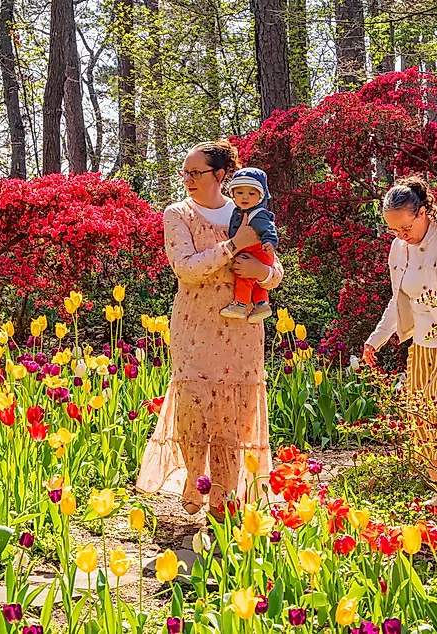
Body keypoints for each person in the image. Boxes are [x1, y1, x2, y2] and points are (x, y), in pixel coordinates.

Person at [135, 140, 284, 517]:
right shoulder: (178, 214)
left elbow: (275, 272)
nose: (187, 179)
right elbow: (186, 268)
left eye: (196, 172)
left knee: (236, 410)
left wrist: (261, 273)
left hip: (243, 329)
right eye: (184, 172)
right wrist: (235, 245)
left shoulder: (248, 208)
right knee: (194, 406)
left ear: (220, 175)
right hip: (195, 323)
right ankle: (194, 479)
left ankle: (224, 495)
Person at [362, 175, 437, 472]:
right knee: (421, 421)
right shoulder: (399, 249)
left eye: (406, 227)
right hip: (422, 346)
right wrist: (376, 339)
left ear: (423, 212)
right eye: (394, 229)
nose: (401, 234)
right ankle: (436, 490)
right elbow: (399, 300)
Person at [220, 167, 278, 322]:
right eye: (240, 193)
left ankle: (240, 304)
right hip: (257, 253)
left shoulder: (258, 213)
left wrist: (270, 241)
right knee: (257, 284)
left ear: (261, 196)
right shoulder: (239, 211)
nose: (245, 197)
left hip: (258, 252)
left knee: (244, 276)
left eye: (251, 193)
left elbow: (269, 228)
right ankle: (262, 304)